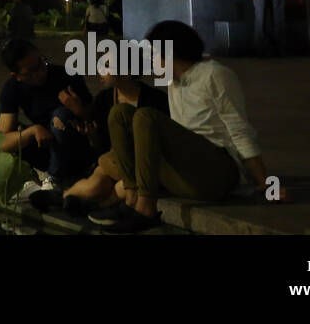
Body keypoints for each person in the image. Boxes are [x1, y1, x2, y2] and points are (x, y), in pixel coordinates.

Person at [86, 20, 284, 233]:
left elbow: (240, 131)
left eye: (155, 54)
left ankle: (146, 209)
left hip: (218, 173)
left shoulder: (215, 74)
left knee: (146, 116)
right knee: (119, 114)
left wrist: (267, 185)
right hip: (187, 171)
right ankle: (132, 197)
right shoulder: (174, 83)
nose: (152, 61)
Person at [0, 39, 95, 192]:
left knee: (60, 116)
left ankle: (56, 179)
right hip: (44, 146)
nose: (41, 72)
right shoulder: (12, 88)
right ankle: (26, 174)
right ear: (17, 75)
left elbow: (96, 121)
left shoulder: (67, 76)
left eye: (42, 62)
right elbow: (2, 141)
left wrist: (77, 109)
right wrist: (32, 131)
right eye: (32, 71)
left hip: (71, 149)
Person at [61, 71, 169, 212]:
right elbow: (102, 147)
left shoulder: (155, 100)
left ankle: (98, 207)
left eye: (107, 65)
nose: (101, 71)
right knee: (94, 188)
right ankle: (64, 195)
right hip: (113, 161)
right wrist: (92, 135)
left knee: (127, 187)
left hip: (141, 163)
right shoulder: (104, 99)